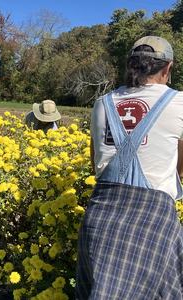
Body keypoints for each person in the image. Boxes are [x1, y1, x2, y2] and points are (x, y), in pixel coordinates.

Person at [76, 36, 183, 299]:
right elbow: (181, 168)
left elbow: (96, 164)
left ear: (131, 66)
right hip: (152, 223)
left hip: (100, 220)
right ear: (168, 68)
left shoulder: (103, 103)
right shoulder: (179, 103)